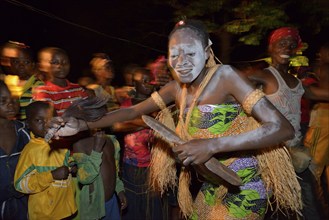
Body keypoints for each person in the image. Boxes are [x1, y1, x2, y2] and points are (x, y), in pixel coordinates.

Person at [51, 20, 300, 219]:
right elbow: (131, 112)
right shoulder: (175, 89)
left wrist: (212, 145)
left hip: (244, 186)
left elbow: (282, 128)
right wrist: (84, 124)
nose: (182, 63)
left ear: (206, 51)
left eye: (190, 53)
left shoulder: (225, 76)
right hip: (213, 183)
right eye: (174, 55)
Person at [113, 67, 163, 220]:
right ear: (135, 83)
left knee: (153, 207)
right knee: (133, 208)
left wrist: (134, 121)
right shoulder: (128, 104)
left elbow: (165, 126)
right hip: (131, 165)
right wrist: (148, 122)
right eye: (144, 81)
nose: (149, 84)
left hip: (154, 165)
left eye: (151, 81)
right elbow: (118, 126)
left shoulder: (157, 104)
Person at [14, 101, 77, 220]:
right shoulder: (30, 151)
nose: (46, 124)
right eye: (39, 120)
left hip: (65, 210)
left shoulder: (61, 143)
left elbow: (68, 161)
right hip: (44, 214)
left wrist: (72, 166)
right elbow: (20, 184)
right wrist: (51, 176)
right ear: (28, 124)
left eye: (50, 119)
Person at [304, 42, 329, 218]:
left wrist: (303, 88)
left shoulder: (325, 68)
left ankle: (314, 207)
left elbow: (322, 93)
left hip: (323, 118)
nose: (320, 55)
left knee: (311, 166)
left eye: (321, 52)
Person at [72, 130, 119, 220]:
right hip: (93, 205)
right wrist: (96, 150)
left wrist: (119, 189)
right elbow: (84, 178)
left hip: (112, 200)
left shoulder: (111, 140)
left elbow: (115, 169)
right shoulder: (79, 143)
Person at [0, 80, 29, 220]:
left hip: (24, 207)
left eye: (13, 100)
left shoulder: (24, 132)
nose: (10, 104)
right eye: (3, 101)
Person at [33, 47, 88, 116]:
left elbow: (89, 112)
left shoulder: (78, 89)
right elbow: (48, 120)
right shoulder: (43, 92)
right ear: (41, 66)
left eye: (65, 62)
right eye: (54, 62)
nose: (61, 66)